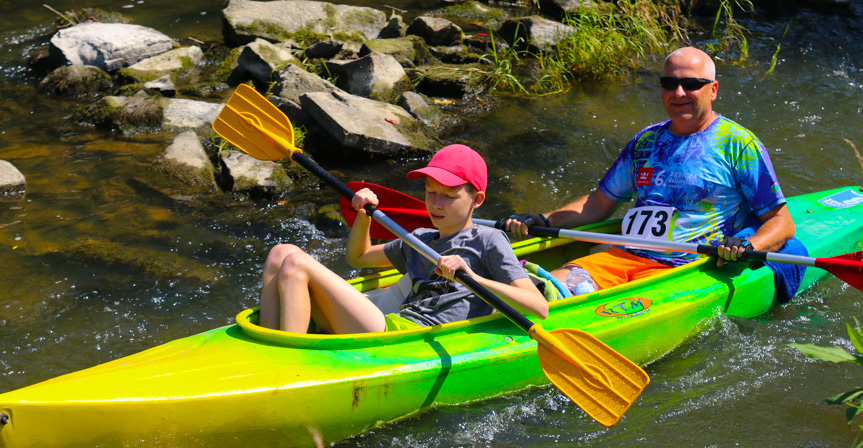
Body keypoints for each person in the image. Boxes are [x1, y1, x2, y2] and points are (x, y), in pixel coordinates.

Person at [502, 47, 803, 300]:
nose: (679, 92)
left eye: (691, 83)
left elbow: (781, 222)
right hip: (623, 255)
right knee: (540, 294)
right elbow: (596, 205)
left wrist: (747, 246)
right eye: (669, 83)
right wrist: (544, 219)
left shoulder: (738, 145)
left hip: (687, 268)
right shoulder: (645, 141)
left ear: (713, 90)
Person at [258, 144, 549, 333]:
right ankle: (269, 344)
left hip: (408, 336)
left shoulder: (489, 239)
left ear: (477, 200)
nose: (436, 204)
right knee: (281, 253)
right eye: (430, 192)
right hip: (395, 322)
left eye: (449, 196)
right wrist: (363, 216)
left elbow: (538, 307)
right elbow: (357, 257)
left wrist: (472, 276)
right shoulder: (419, 239)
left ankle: (288, 357)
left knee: (296, 263)